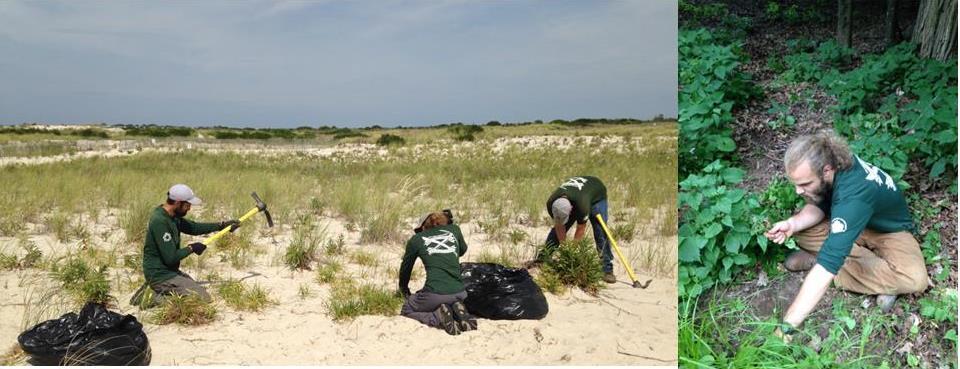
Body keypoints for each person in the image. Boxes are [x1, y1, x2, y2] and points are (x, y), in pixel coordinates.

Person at [765, 132, 928, 340]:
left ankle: (828, 266)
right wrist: (792, 224)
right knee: (801, 231)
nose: (798, 191)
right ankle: (842, 263)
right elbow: (820, 205)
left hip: (888, 230)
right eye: (796, 184)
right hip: (849, 221)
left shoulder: (854, 192)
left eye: (805, 184)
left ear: (826, 170)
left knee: (914, 279)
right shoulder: (833, 164)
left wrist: (785, 329)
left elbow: (845, 207)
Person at [135, 184, 238, 306]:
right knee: (202, 298)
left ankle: (154, 289)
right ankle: (150, 298)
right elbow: (171, 258)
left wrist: (221, 225)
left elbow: (193, 227)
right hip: (160, 275)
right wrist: (192, 248)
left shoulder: (173, 216)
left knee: (194, 289)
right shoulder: (160, 221)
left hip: (170, 272)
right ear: (178, 203)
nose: (189, 209)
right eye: (187, 205)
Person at [399, 211, 476, 335]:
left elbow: (405, 269)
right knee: (442, 300)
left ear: (424, 226)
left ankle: (437, 317)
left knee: (407, 309)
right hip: (461, 292)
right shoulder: (454, 230)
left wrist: (403, 289)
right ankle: (456, 310)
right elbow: (462, 250)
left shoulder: (416, 239)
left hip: (435, 294)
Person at [532, 175, 616, 284]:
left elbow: (580, 229)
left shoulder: (582, 205)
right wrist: (564, 249)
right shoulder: (551, 203)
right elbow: (559, 226)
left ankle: (607, 269)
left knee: (600, 230)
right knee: (556, 231)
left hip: (596, 193)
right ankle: (543, 258)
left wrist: (571, 252)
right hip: (577, 195)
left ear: (571, 209)